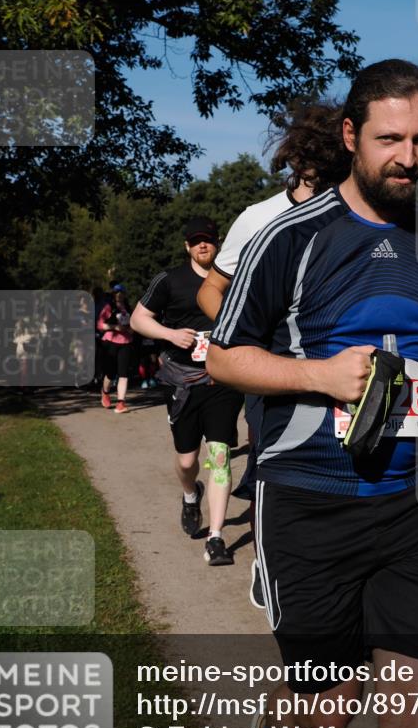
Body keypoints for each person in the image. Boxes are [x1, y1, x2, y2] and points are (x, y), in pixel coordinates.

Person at [207, 58, 418, 728]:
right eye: (390, 138)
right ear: (351, 135)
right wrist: (318, 375)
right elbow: (224, 359)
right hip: (311, 499)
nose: (409, 157)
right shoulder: (291, 237)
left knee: (412, 711)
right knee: (328, 710)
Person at [197, 100, 353, 607]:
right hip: (276, 372)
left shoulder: (361, 215)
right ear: (294, 163)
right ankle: (269, 562)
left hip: (346, 368)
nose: (318, 186)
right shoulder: (259, 218)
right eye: (310, 173)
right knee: (273, 462)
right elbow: (211, 291)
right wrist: (246, 343)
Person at [131, 217, 244, 566]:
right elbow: (138, 319)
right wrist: (170, 334)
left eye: (207, 240)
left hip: (222, 382)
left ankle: (216, 537)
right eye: (196, 242)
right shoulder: (170, 280)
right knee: (187, 460)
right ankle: (190, 493)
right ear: (187, 246)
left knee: (221, 457)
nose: (202, 246)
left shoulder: (236, 279)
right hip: (182, 381)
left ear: (218, 242)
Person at [97, 285, 134, 413]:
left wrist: (132, 329)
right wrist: (115, 327)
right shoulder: (109, 308)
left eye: (122, 292)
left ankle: (120, 404)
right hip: (111, 342)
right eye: (117, 292)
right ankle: (105, 392)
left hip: (126, 342)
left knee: (123, 374)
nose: (120, 294)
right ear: (113, 294)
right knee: (111, 374)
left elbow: (134, 323)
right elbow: (100, 325)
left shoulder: (129, 308)